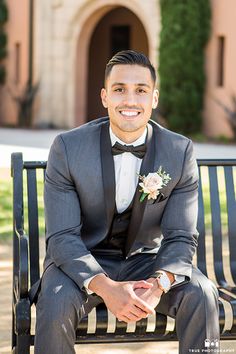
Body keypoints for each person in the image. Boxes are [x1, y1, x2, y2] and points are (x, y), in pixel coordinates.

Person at [34, 50, 219, 353]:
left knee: (202, 294)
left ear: (154, 98)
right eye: (120, 89)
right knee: (54, 300)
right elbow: (62, 237)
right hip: (82, 259)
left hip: (148, 260)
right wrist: (106, 288)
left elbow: (182, 236)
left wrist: (159, 284)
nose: (130, 101)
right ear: (105, 97)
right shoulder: (68, 148)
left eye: (141, 90)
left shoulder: (179, 151)